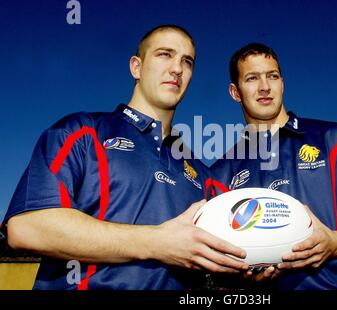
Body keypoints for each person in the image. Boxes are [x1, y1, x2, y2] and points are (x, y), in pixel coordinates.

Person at [2, 25, 248, 290]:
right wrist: (158, 242)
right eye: (165, 54)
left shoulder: (200, 172)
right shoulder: (81, 131)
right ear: (136, 67)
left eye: (187, 61)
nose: (177, 68)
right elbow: (27, 227)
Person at [209, 43, 337, 289]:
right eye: (252, 78)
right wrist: (240, 274)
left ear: (282, 84)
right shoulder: (222, 171)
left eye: (272, 76)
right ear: (235, 92)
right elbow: (217, 263)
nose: (265, 87)